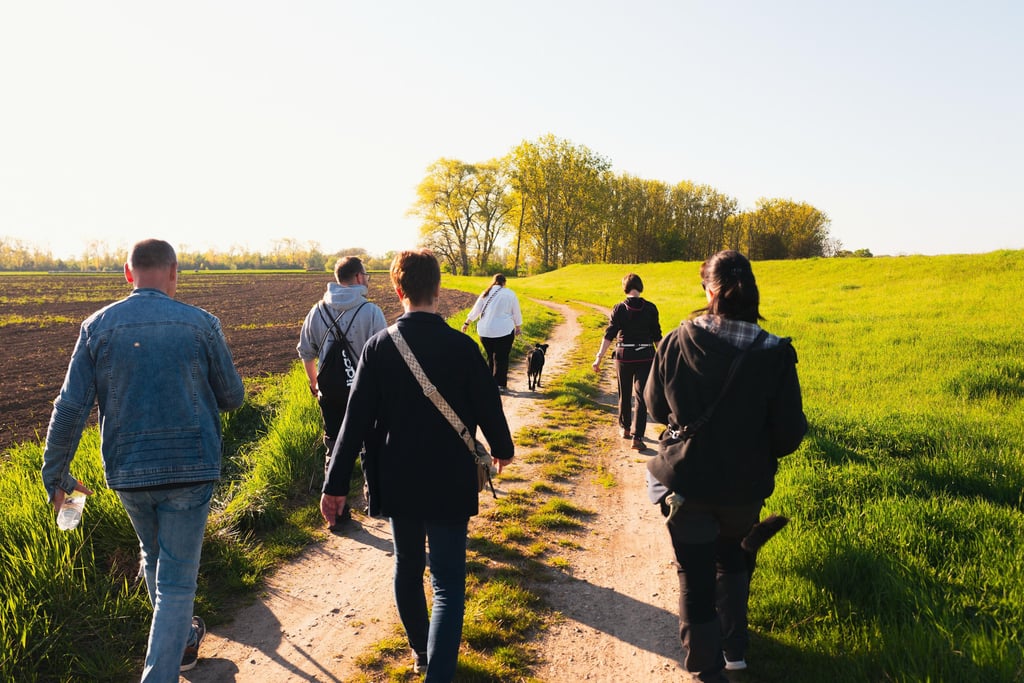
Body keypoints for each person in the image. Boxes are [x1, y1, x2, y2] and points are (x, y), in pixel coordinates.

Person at [40, 239, 245, 681]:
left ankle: (184, 641)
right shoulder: (202, 325)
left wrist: (55, 473)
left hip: (129, 470)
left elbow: (70, 408)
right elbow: (232, 397)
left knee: (153, 555)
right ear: (174, 273)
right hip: (191, 468)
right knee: (175, 584)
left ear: (128, 274)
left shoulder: (96, 327)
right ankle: (161, 669)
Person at [321, 249, 514, 681]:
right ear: (438, 288)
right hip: (449, 477)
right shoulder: (463, 347)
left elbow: (353, 423)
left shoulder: (378, 348)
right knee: (446, 580)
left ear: (397, 289)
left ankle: (421, 653)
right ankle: (438, 673)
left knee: (408, 567)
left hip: (396, 477)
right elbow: (489, 405)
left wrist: (334, 485)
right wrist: (502, 447)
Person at [644, 250, 806, 682]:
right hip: (743, 490)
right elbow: (790, 434)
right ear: (751, 291)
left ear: (708, 290)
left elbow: (656, 408)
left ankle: (705, 669)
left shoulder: (678, 340)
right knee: (733, 562)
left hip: (689, 486)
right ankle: (736, 654)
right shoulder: (774, 352)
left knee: (695, 577)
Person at [296, 256, 386, 476]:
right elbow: (384, 356)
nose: (367, 280)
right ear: (358, 277)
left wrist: (315, 383)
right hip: (365, 393)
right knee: (371, 447)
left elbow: (306, 352)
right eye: (366, 275)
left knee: (334, 448)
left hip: (331, 392)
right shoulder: (372, 312)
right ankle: (374, 503)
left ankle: (334, 506)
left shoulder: (316, 311)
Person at [592, 273, 662, 450]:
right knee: (642, 396)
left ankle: (625, 428)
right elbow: (657, 337)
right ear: (640, 287)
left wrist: (599, 357)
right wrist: (663, 360)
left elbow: (609, 335)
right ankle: (637, 438)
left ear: (625, 288)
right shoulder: (651, 308)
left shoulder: (619, 308)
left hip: (624, 356)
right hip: (646, 356)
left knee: (624, 393)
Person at [461, 273, 522, 393]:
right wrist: (518, 327)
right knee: (501, 358)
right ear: (504, 282)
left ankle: (489, 384)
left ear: (494, 281)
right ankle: (500, 385)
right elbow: (516, 312)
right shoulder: (510, 293)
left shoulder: (485, 293)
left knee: (490, 357)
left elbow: (476, 310)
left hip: (484, 332)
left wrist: (466, 323)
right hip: (504, 330)